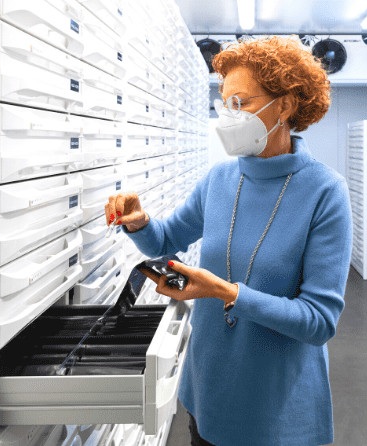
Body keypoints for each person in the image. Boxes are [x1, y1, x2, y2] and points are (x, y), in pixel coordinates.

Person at [104, 36, 353, 446]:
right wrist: (139, 222)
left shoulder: (325, 193)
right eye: (225, 104)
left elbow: (319, 321)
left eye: (241, 103)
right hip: (208, 394)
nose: (228, 116)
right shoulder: (220, 179)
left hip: (276, 413)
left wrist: (225, 292)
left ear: (285, 107)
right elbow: (165, 239)